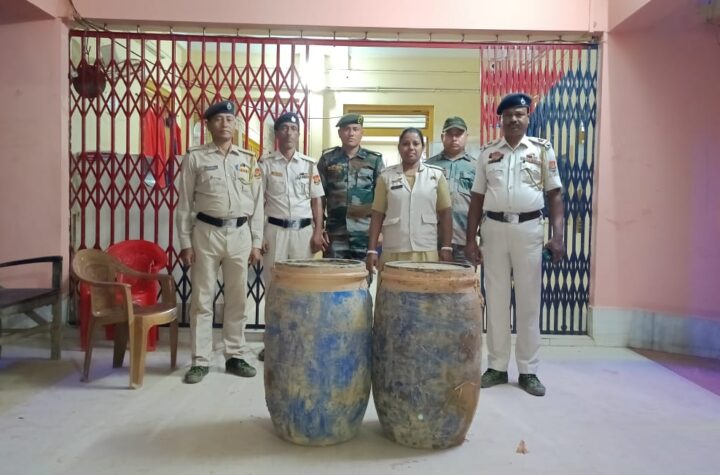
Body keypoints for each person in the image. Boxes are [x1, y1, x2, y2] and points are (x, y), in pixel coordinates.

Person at [465, 93, 564, 397]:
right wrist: (470, 239)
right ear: (501, 120)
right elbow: (477, 197)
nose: (514, 119)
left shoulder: (541, 149)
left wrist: (558, 236)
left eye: (519, 114)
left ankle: (528, 370)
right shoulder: (488, 153)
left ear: (527, 117)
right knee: (495, 300)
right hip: (493, 230)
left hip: (529, 229)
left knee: (528, 301)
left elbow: (555, 194)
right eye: (508, 115)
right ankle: (496, 366)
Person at [176, 100, 264, 384]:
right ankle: (200, 360)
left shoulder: (249, 159)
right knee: (202, 299)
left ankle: (235, 354)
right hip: (206, 233)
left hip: (240, 234)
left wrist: (256, 242)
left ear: (235, 124)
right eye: (218, 119)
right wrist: (185, 243)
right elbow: (184, 203)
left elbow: (258, 205)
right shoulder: (195, 158)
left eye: (229, 119)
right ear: (208, 125)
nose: (224, 124)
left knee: (237, 298)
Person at [257, 112, 326, 362]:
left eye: (293, 128)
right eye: (284, 128)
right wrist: (258, 235)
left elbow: (317, 200)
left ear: (299, 134)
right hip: (275, 232)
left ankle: (302, 341)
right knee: (274, 288)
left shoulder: (308, 164)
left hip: (303, 234)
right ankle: (273, 343)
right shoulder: (265, 164)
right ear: (277, 133)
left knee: (303, 288)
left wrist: (318, 232)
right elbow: (257, 202)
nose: (289, 133)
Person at [366, 127, 453, 275]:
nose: (411, 148)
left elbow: (446, 213)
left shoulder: (436, 176)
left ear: (423, 148)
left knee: (424, 289)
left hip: (426, 250)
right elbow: (377, 215)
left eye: (416, 143)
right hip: (394, 249)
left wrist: (446, 247)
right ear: (399, 147)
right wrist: (372, 249)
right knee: (391, 289)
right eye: (406, 144)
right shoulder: (386, 177)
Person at [317, 113, 384, 260]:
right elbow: (319, 197)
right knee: (334, 273)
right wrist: (318, 228)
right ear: (340, 133)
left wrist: (381, 231)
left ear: (362, 132)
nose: (351, 133)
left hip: (365, 234)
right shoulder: (327, 159)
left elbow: (382, 199)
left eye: (355, 129)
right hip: (335, 234)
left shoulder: (374, 161)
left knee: (363, 273)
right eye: (347, 129)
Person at [426, 116, 478, 262]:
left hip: (465, 240)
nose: (454, 139)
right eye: (450, 134)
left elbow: (482, 205)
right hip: (433, 240)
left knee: (464, 276)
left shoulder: (476, 167)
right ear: (442, 137)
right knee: (431, 276)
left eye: (459, 134)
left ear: (466, 137)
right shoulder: (428, 166)